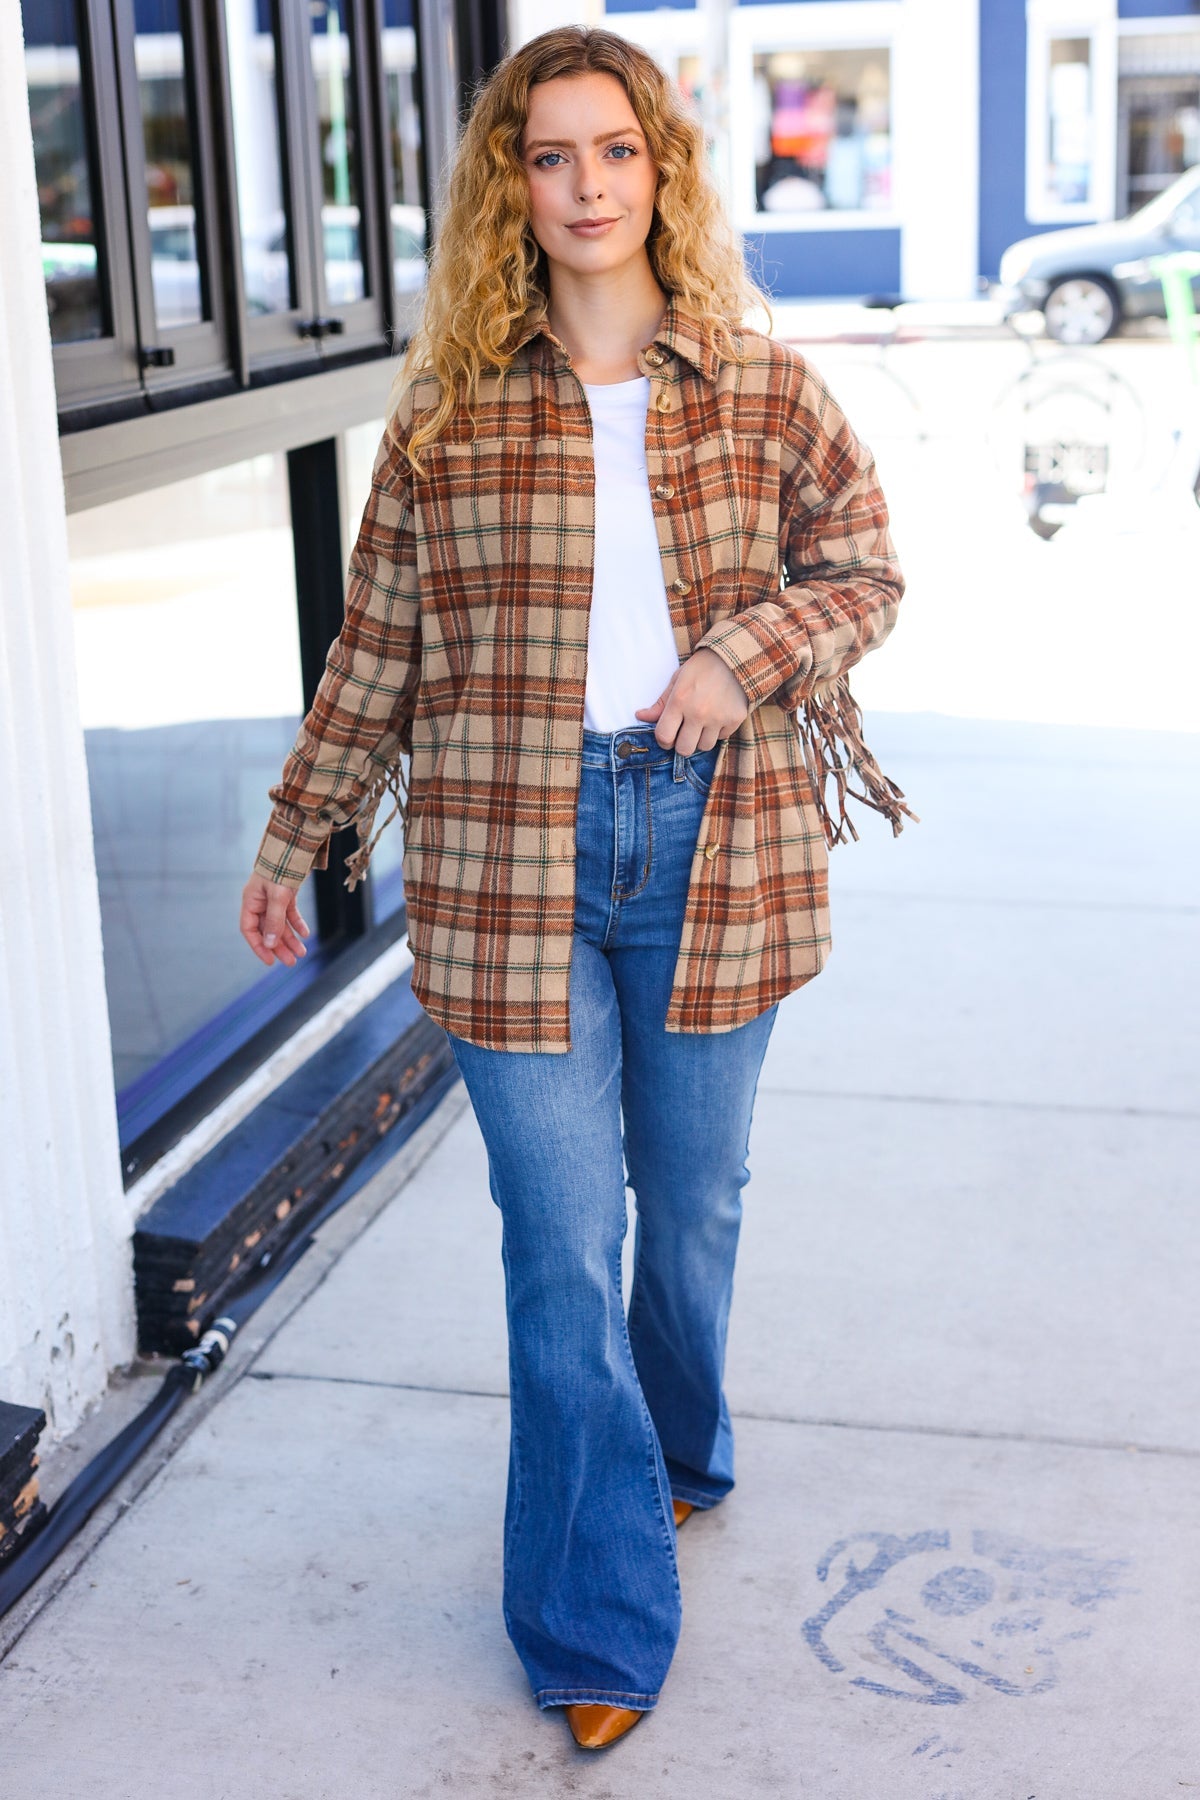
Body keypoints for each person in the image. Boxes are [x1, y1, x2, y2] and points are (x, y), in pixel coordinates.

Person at [239, 24, 909, 1753]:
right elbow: (376, 644)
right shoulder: (449, 418)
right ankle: (595, 1617)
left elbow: (860, 567)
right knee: (561, 1244)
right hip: (506, 857)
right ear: (509, 190)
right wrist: (298, 828)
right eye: (550, 157)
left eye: (614, 151)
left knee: (689, 1214)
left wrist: (736, 661)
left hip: (712, 842)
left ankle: (678, 1449)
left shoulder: (761, 390)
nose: (586, 186)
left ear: (660, 173)